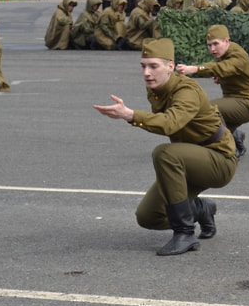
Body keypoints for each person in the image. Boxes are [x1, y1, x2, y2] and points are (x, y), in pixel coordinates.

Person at [93, 38, 237, 256]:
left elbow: (170, 123)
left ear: (170, 66)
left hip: (218, 159)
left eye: (153, 66)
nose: (146, 73)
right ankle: (200, 209)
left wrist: (132, 116)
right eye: (143, 66)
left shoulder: (187, 90)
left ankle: (185, 233)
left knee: (164, 154)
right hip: (188, 159)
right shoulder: (157, 89)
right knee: (148, 217)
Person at [176, 25, 249, 158]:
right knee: (209, 133)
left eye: (216, 44)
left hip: (247, 102)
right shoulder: (226, 53)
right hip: (234, 100)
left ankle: (228, 149)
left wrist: (194, 69)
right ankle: (234, 137)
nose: (212, 49)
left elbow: (224, 67)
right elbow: (230, 71)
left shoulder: (238, 55)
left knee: (208, 109)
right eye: (209, 45)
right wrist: (222, 78)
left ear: (227, 41)